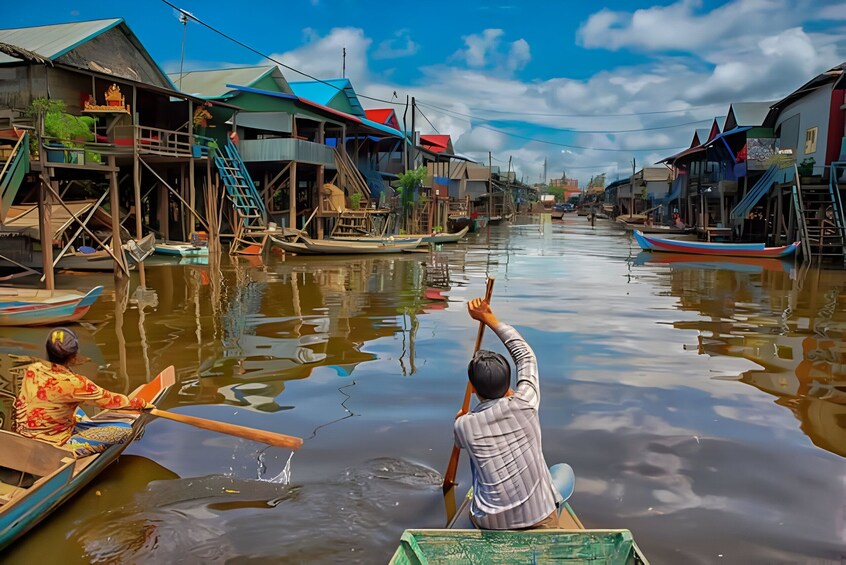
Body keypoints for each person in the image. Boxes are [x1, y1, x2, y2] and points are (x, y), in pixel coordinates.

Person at [453, 298, 562, 530]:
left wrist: (462, 418)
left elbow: (461, 434)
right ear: (508, 385)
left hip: (490, 523)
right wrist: (488, 318)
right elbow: (526, 356)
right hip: (539, 517)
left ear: (472, 388)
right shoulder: (526, 402)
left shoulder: (463, 426)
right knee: (559, 479)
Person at [14, 327, 153, 457]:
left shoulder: (33, 369)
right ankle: (70, 449)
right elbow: (110, 400)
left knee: (74, 409)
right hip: (53, 447)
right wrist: (140, 403)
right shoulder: (75, 384)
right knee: (124, 430)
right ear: (73, 356)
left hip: (24, 435)